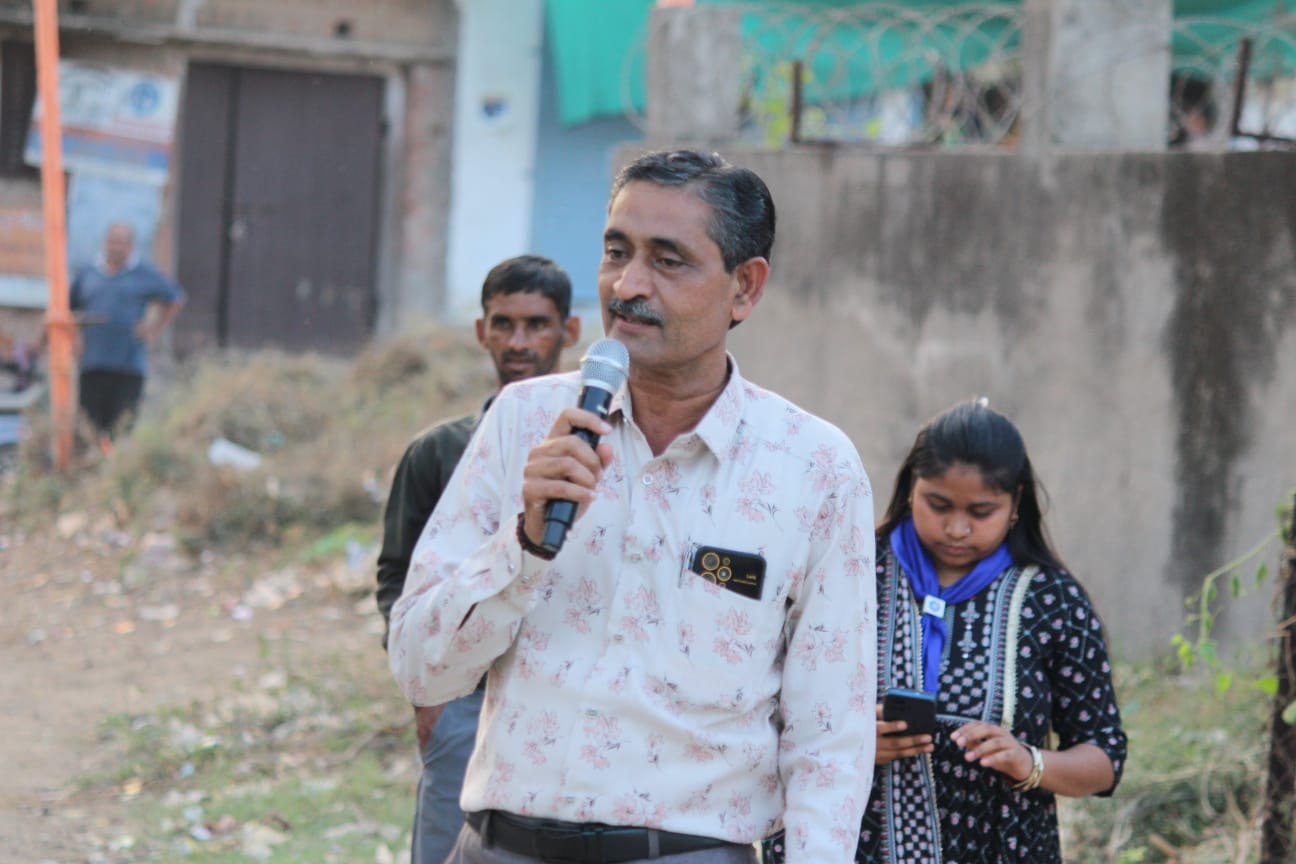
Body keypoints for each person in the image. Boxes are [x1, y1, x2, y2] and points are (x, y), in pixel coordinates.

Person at [387, 148, 878, 864]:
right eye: (616, 252)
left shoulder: (813, 468)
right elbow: (420, 669)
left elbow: (830, 736)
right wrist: (522, 547)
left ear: (744, 287)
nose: (627, 285)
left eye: (668, 261)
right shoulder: (524, 423)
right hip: (499, 845)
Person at [774, 399, 1125, 863]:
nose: (957, 529)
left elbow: (1104, 758)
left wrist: (1030, 762)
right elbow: (757, 712)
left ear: (1015, 504)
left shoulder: (1052, 600)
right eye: (938, 505)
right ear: (910, 488)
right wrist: (846, 744)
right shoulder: (845, 571)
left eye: (981, 512)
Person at [377, 254, 581, 864]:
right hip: (462, 694)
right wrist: (428, 697)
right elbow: (397, 577)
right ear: (481, 331)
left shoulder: (596, 447)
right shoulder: (440, 451)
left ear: (569, 331)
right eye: (503, 324)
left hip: (559, 690)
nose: (519, 342)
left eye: (536, 324)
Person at [70, 222, 185, 446]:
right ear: (106, 242)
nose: (117, 247)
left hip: (128, 365)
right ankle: (90, 465)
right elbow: (71, 309)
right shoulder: (88, 274)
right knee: (88, 429)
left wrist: (153, 329)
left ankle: (115, 466)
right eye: (114, 241)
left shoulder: (143, 273)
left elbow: (175, 299)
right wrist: (76, 337)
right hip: (93, 363)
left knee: (121, 429)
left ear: (131, 246)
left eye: (123, 243)